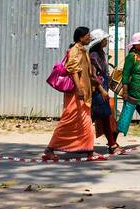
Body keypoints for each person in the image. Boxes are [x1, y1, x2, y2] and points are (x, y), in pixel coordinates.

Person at [45, 25, 94, 157]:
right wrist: (79, 89)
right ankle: (50, 148)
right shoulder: (75, 50)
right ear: (80, 37)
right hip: (76, 93)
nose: (90, 38)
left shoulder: (83, 50)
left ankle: (88, 149)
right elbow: (72, 70)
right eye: (87, 36)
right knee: (69, 119)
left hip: (85, 93)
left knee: (85, 121)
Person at [87, 29, 125, 154]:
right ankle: (111, 145)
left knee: (104, 117)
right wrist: (102, 90)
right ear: (99, 41)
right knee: (102, 117)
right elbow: (93, 76)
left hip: (102, 88)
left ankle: (112, 144)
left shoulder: (101, 53)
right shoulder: (93, 56)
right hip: (98, 90)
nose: (106, 41)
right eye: (104, 39)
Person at [117, 32, 140, 148]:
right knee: (126, 117)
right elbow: (125, 75)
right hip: (133, 94)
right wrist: (125, 93)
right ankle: (112, 142)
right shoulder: (131, 57)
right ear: (136, 45)